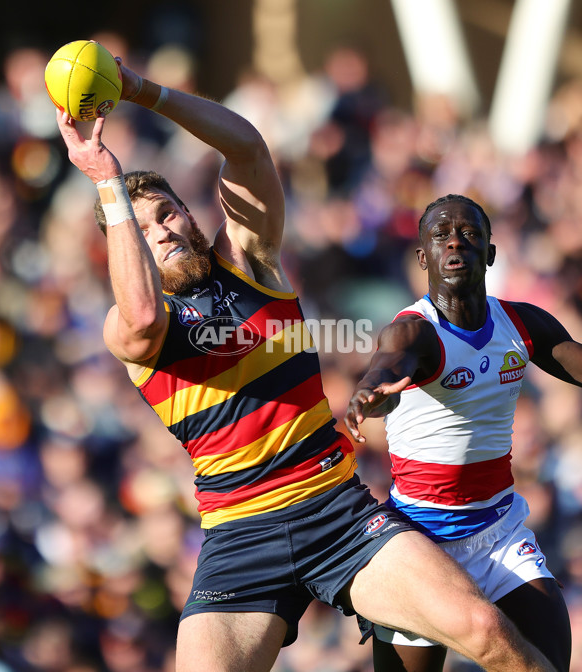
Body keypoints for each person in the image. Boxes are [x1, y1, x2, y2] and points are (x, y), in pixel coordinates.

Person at [55, 51, 558, 672]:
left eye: (169, 212)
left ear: (190, 215)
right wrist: (108, 182)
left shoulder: (248, 262)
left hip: (337, 512)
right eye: (142, 226)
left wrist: (142, 90)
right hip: (239, 538)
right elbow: (141, 318)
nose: (162, 229)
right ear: (121, 246)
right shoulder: (126, 325)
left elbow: (247, 152)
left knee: (486, 629)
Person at [345, 193, 573, 672]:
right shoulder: (415, 331)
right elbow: (388, 364)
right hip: (422, 544)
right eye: (441, 234)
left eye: (470, 234)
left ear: (490, 253)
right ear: (422, 256)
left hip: (499, 533)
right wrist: (372, 393)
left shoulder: (520, 323)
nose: (455, 243)